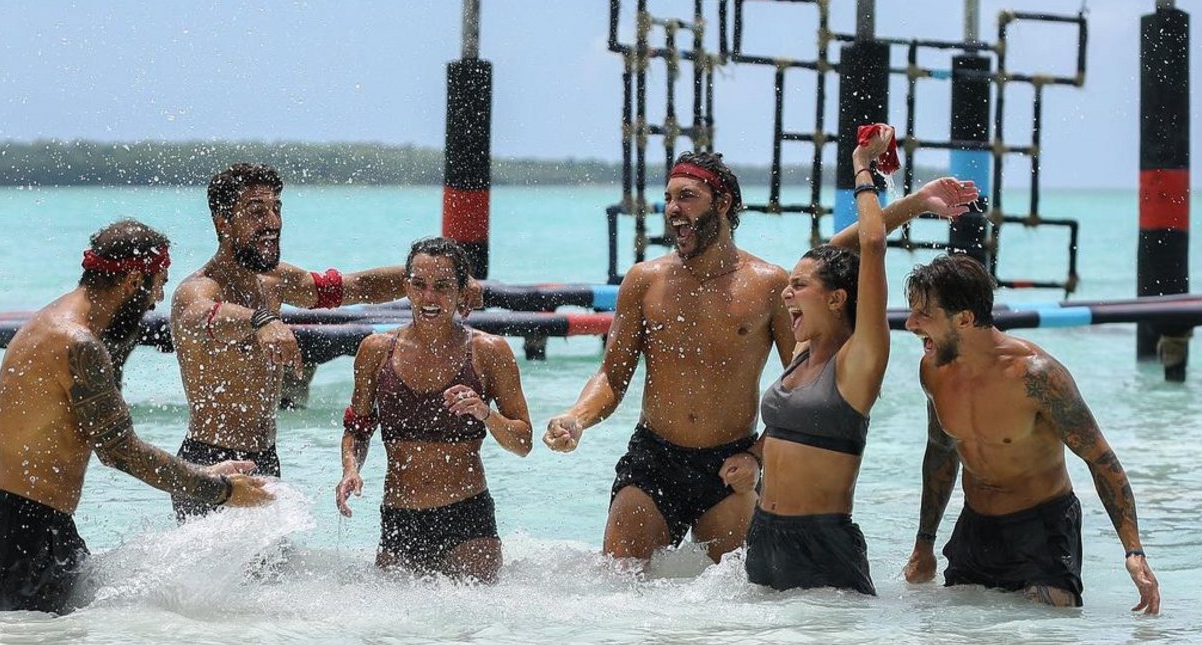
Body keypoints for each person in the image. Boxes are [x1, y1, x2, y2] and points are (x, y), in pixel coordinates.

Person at [0, 219, 274, 615]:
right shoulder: (78, 343)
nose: (157, 299)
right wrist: (222, 491)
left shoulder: (55, 322)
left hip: (25, 529)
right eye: (158, 283)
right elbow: (120, 452)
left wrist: (204, 474)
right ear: (132, 280)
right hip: (22, 540)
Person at [743, 125, 979, 595]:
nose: (786, 294)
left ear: (836, 300)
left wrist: (862, 164)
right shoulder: (806, 351)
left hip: (822, 547)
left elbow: (870, 246)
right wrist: (917, 203)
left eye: (799, 286)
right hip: (764, 535)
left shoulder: (859, 358)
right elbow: (835, 253)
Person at [541, 150, 795, 566]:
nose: (673, 209)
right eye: (669, 198)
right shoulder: (645, 280)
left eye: (687, 196)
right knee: (616, 584)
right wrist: (577, 417)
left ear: (723, 203)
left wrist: (758, 455)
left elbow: (803, 385)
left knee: (736, 596)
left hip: (731, 463)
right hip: (654, 458)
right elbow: (612, 376)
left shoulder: (769, 284)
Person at [170, 163, 452, 521]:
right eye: (257, 212)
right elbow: (201, 315)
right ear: (223, 222)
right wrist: (261, 319)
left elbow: (355, 287)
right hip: (209, 462)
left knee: (274, 560)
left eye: (276, 209)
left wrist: (439, 278)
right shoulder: (198, 288)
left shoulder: (273, 280)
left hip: (265, 460)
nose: (272, 222)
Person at [900, 253, 1162, 613]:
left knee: (1043, 631)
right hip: (976, 531)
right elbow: (941, 452)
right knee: (960, 632)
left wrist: (1134, 551)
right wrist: (924, 543)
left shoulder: (1037, 376)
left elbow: (1100, 459)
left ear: (964, 319)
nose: (910, 324)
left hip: (1043, 531)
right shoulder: (933, 371)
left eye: (923, 314)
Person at [335, 237, 532, 582]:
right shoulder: (376, 351)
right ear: (406, 288)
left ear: (461, 292)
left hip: (468, 519)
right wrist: (350, 469)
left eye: (442, 287)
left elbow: (523, 442)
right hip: (399, 520)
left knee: (478, 617)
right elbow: (358, 430)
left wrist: (486, 414)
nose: (429, 298)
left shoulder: (488, 351)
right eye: (420, 285)